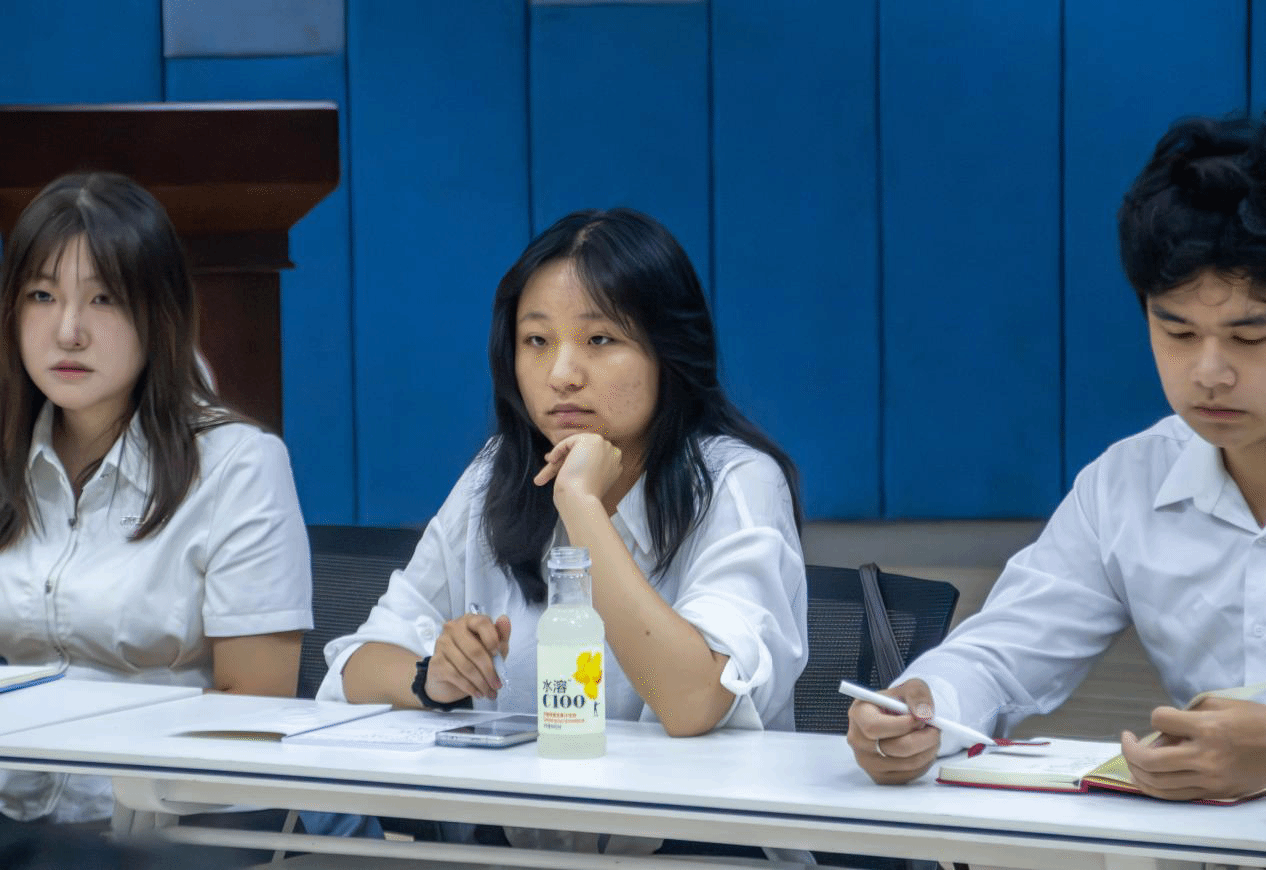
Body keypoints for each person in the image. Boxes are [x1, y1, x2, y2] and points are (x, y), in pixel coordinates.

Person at [847, 114, 1266, 804]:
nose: (1209, 373)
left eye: (1250, 338)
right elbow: (1004, 653)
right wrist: (921, 707)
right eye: (1178, 332)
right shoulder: (1130, 484)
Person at [320, 207, 806, 733]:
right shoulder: (495, 476)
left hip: (684, 791)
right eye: (537, 341)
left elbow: (693, 702)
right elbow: (355, 668)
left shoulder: (737, 483)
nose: (561, 375)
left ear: (669, 353)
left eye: (599, 340)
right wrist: (432, 679)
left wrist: (580, 504)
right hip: (526, 789)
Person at [0, 172, 313, 824]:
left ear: (160, 313)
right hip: (17, 815)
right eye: (42, 295)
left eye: (105, 299)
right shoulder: (8, 457)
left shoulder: (238, 466)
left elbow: (254, 710)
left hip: (169, 824)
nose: (68, 331)